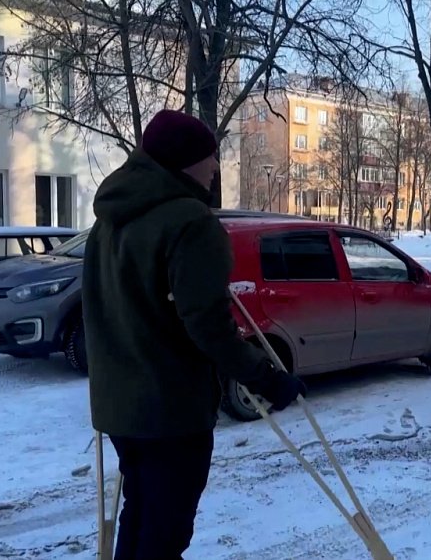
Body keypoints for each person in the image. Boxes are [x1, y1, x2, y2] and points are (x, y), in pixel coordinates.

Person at [82, 109, 308, 560]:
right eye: (210, 158)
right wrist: (266, 379)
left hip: (120, 408)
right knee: (164, 536)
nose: (215, 169)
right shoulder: (189, 221)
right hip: (170, 411)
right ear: (185, 162)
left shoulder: (109, 220)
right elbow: (207, 323)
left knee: (142, 514)